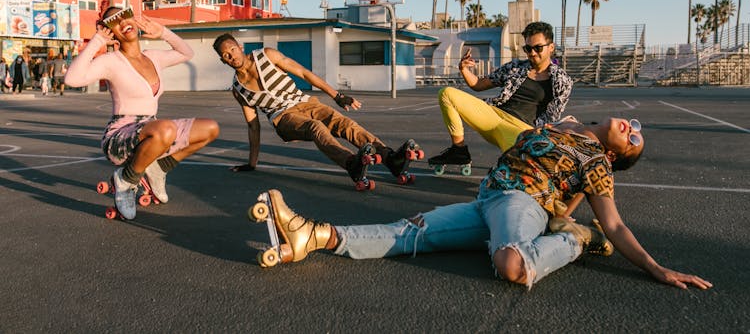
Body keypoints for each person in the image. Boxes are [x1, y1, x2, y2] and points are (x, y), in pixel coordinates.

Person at [252, 116, 712, 291]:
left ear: (615, 156)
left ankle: (572, 244)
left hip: (520, 204)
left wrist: (656, 268)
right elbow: (563, 194)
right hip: (488, 200)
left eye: (634, 138)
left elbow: (614, 224)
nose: (630, 126)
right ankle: (313, 236)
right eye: (634, 125)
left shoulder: (597, 162)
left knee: (511, 264)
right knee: (410, 231)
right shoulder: (565, 128)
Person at [65, 6, 220, 219]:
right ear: (111, 31)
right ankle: (126, 181)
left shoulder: (153, 57)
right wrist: (98, 41)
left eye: (125, 15)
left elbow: (187, 53)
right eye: (114, 22)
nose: (122, 22)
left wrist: (163, 32)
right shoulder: (111, 61)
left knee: (210, 128)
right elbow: (72, 79)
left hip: (152, 132)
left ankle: (158, 169)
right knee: (165, 129)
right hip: (120, 136)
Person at [213, 33, 422, 188]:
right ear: (223, 61)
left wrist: (337, 96)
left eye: (232, 49)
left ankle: (391, 159)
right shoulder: (238, 89)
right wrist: (252, 163)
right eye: (226, 55)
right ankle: (351, 163)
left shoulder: (267, 55)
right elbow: (253, 125)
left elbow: (304, 74)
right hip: (283, 118)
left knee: (344, 124)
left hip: (306, 103)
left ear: (239, 47)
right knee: (316, 128)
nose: (231, 56)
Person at [428, 21, 573, 168]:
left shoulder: (561, 81)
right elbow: (478, 85)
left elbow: (552, 118)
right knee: (447, 93)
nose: (533, 52)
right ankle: (459, 150)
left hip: (521, 131)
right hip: (493, 116)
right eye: (528, 48)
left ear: (551, 47)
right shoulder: (515, 67)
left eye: (538, 47)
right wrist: (464, 69)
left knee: (522, 169)